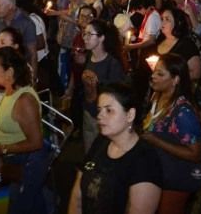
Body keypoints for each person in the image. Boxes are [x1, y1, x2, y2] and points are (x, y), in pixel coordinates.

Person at [67, 83, 162, 214]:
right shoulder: (101, 142)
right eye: (99, 109)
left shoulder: (145, 160)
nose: (100, 116)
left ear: (130, 115)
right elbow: (77, 194)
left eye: (109, 110)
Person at [0, 46, 49, 214]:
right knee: (33, 203)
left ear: (9, 71)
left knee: (21, 206)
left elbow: (36, 142)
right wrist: (3, 160)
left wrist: (0, 150)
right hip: (14, 160)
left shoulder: (24, 100)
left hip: (28, 162)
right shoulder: (8, 91)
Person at [142, 53, 201, 214]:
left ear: (176, 80)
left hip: (174, 179)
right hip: (156, 173)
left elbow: (196, 154)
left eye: (160, 74)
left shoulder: (183, 112)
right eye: (154, 71)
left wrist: (157, 141)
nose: (153, 76)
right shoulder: (157, 97)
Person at [79, 18, 126, 152]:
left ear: (101, 38)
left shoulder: (113, 64)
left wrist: (97, 82)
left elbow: (117, 93)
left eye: (90, 34)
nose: (85, 38)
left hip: (105, 116)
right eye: (84, 34)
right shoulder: (88, 57)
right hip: (88, 112)